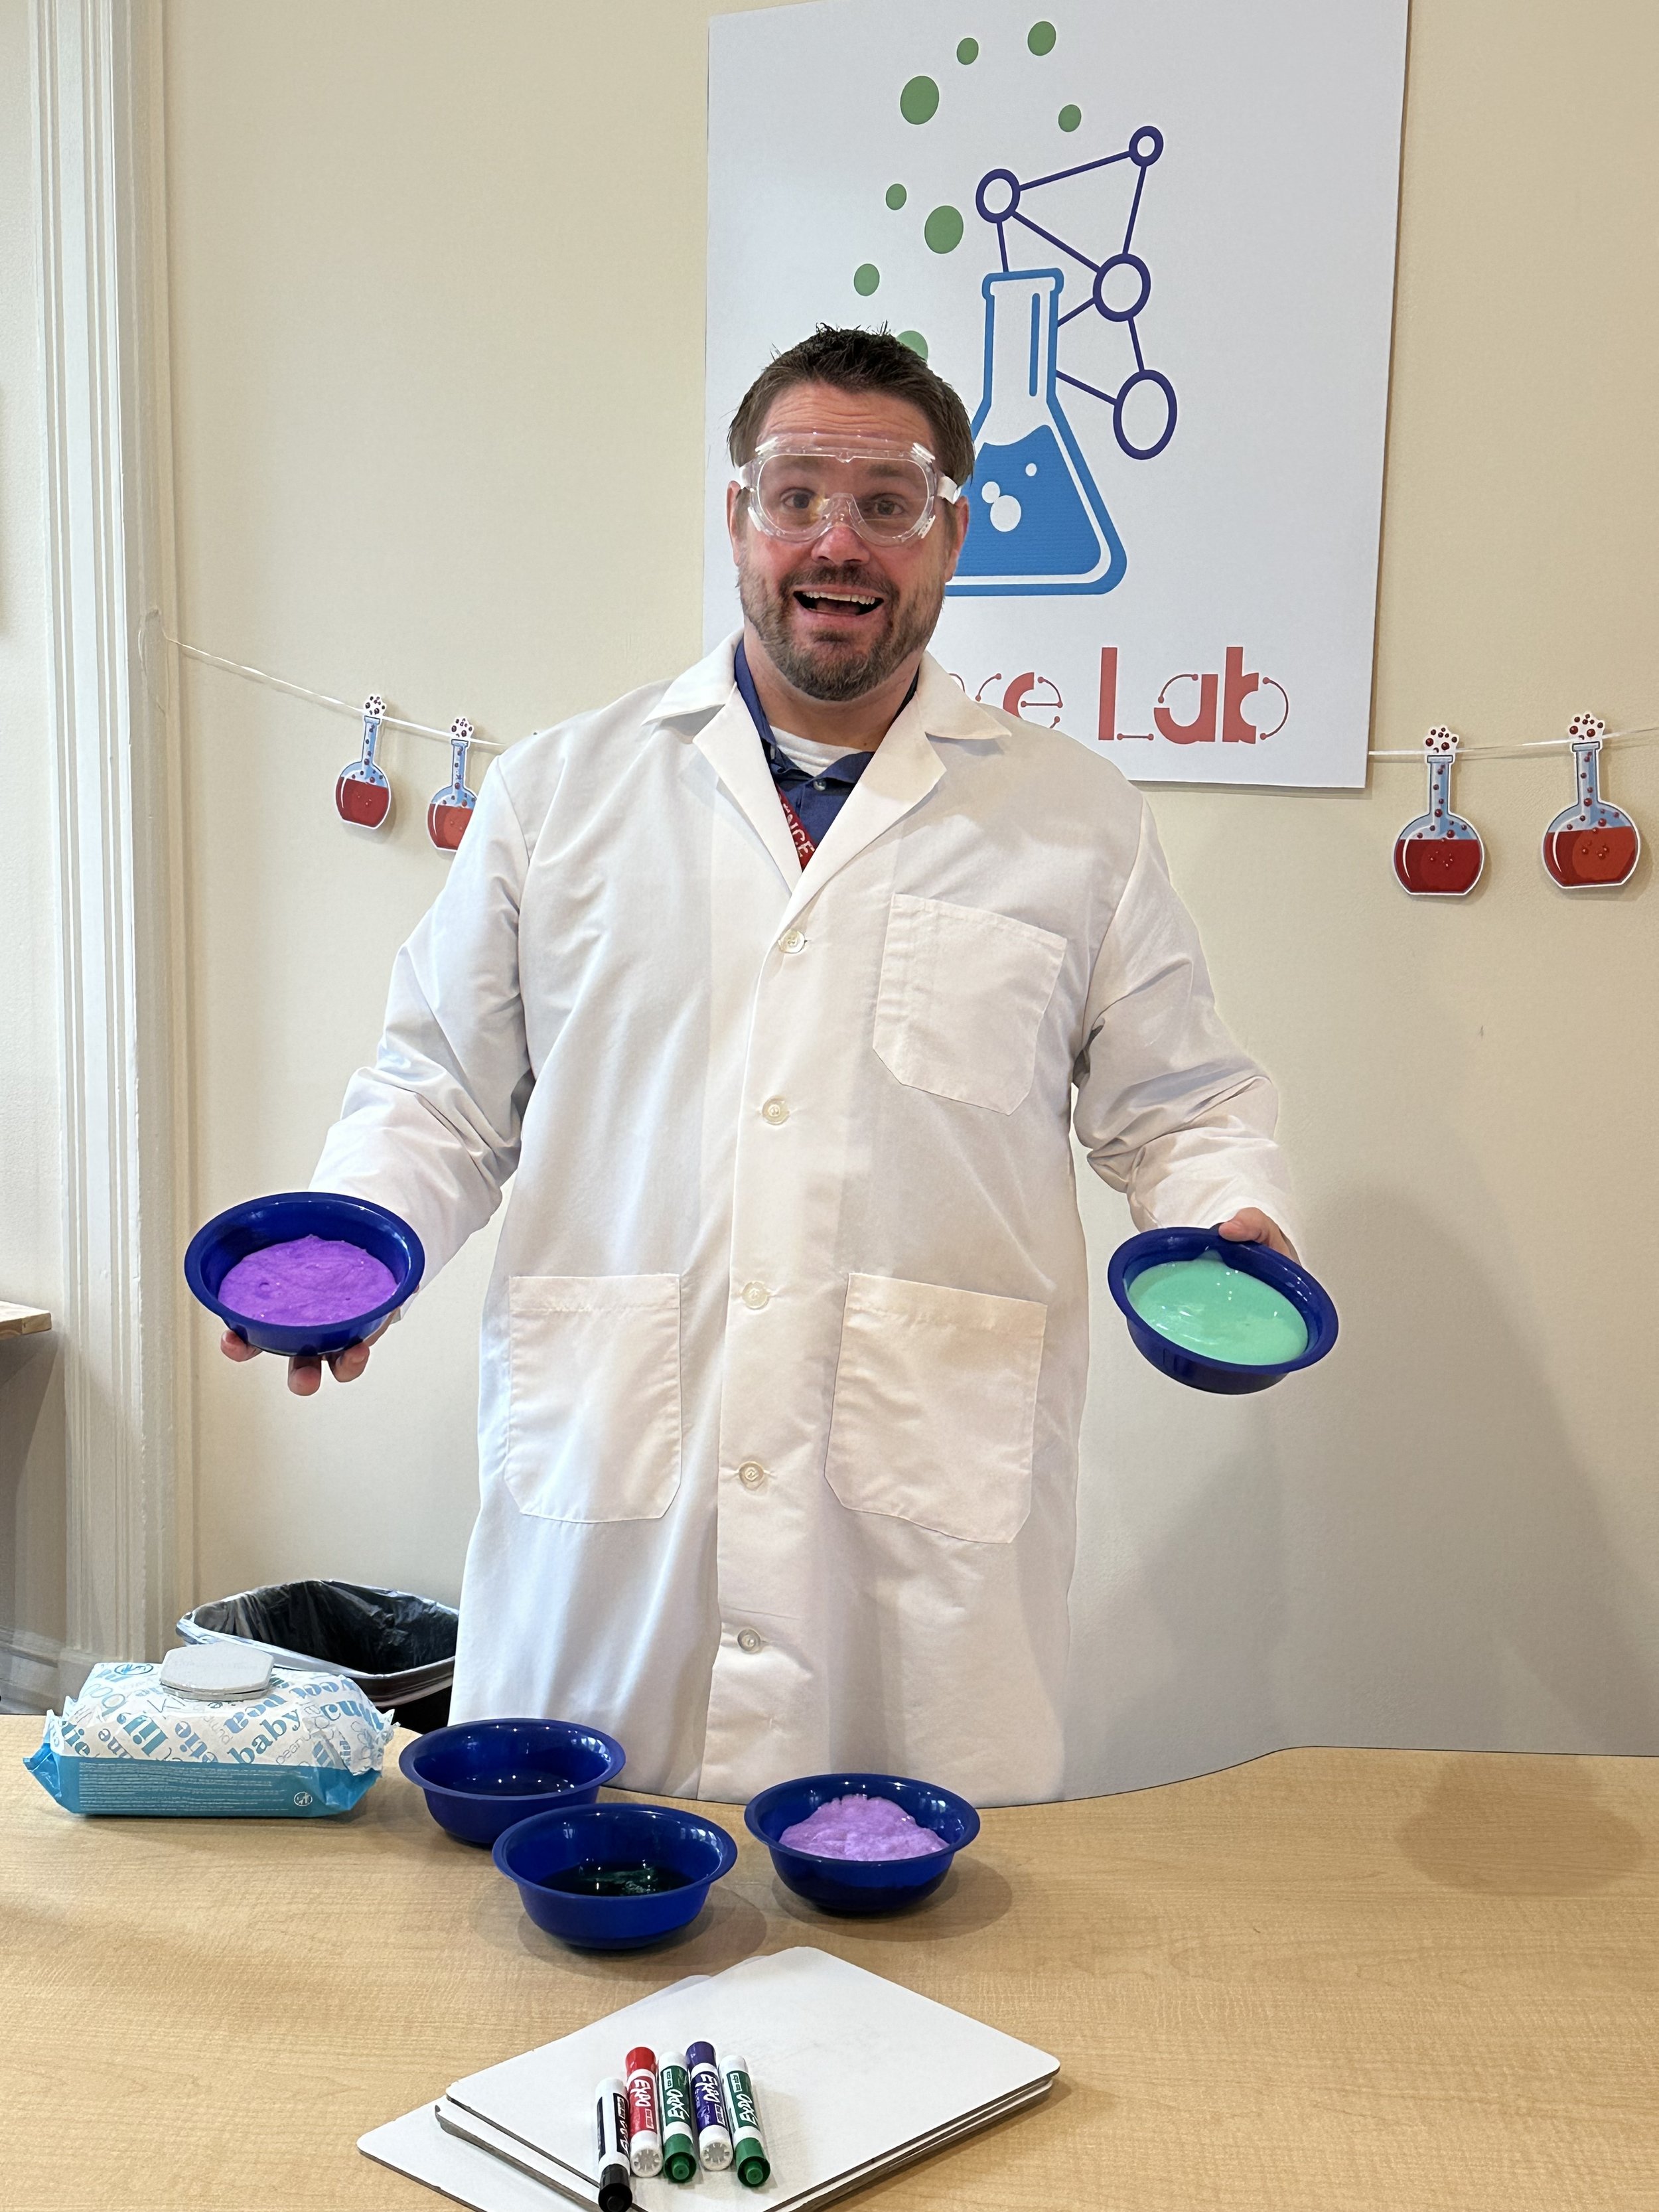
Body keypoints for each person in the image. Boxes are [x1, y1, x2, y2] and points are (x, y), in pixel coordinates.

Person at [223, 327, 1297, 1805]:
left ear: (953, 535)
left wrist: (1224, 1209)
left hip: (919, 1534)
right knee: (586, 1944)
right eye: (794, 493)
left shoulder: (1074, 820)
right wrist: (364, 1232)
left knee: (921, 1972)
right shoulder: (561, 794)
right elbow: (436, 1092)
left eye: (887, 500)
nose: (835, 540)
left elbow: (1182, 1101)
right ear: (735, 517)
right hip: (613, 1507)